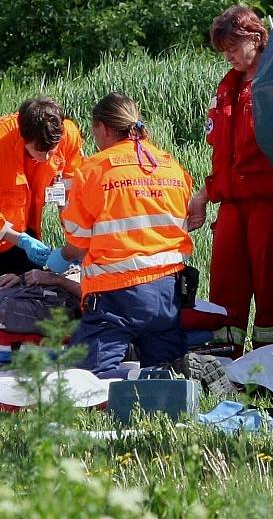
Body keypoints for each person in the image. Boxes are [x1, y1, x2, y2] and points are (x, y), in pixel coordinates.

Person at [45, 92, 193, 377]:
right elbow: (184, 220)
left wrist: (57, 256)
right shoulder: (170, 166)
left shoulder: (95, 170)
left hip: (116, 296)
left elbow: (78, 240)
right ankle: (166, 377)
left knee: (85, 382)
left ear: (104, 128)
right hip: (167, 293)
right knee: (170, 379)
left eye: (94, 132)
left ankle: (129, 380)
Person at [187, 5, 273, 355]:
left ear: (255, 38)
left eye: (234, 48)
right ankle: (224, 358)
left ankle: (269, 362)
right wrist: (203, 196)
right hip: (233, 202)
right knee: (225, 281)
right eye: (224, 51)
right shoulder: (229, 87)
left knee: (270, 282)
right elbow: (225, 156)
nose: (229, 56)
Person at [0, 96, 84, 278]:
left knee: (25, 287)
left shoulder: (68, 136)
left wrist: (75, 241)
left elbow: (72, 192)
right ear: (23, 138)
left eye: (51, 152)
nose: (46, 159)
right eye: (39, 152)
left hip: (21, 224)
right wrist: (21, 240)